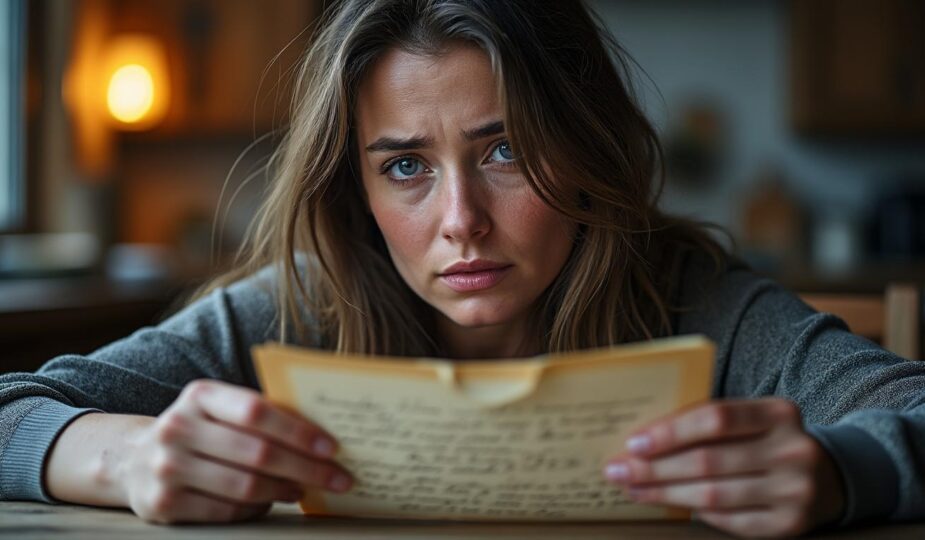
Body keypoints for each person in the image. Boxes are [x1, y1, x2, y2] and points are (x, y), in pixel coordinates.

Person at [0, 0, 922, 537]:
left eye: (506, 150)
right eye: (405, 165)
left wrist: (840, 470)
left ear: (584, 148)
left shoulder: (702, 309)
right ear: (354, 188)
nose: (460, 223)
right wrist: (126, 456)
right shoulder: (296, 308)